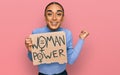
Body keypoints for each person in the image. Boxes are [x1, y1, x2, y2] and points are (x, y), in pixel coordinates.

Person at [25, 2, 89, 75]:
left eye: (58, 14)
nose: (54, 18)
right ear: (45, 17)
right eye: (49, 14)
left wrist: (81, 39)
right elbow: (33, 59)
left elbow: (71, 60)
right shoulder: (36, 33)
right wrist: (30, 51)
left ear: (62, 18)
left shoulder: (67, 33)